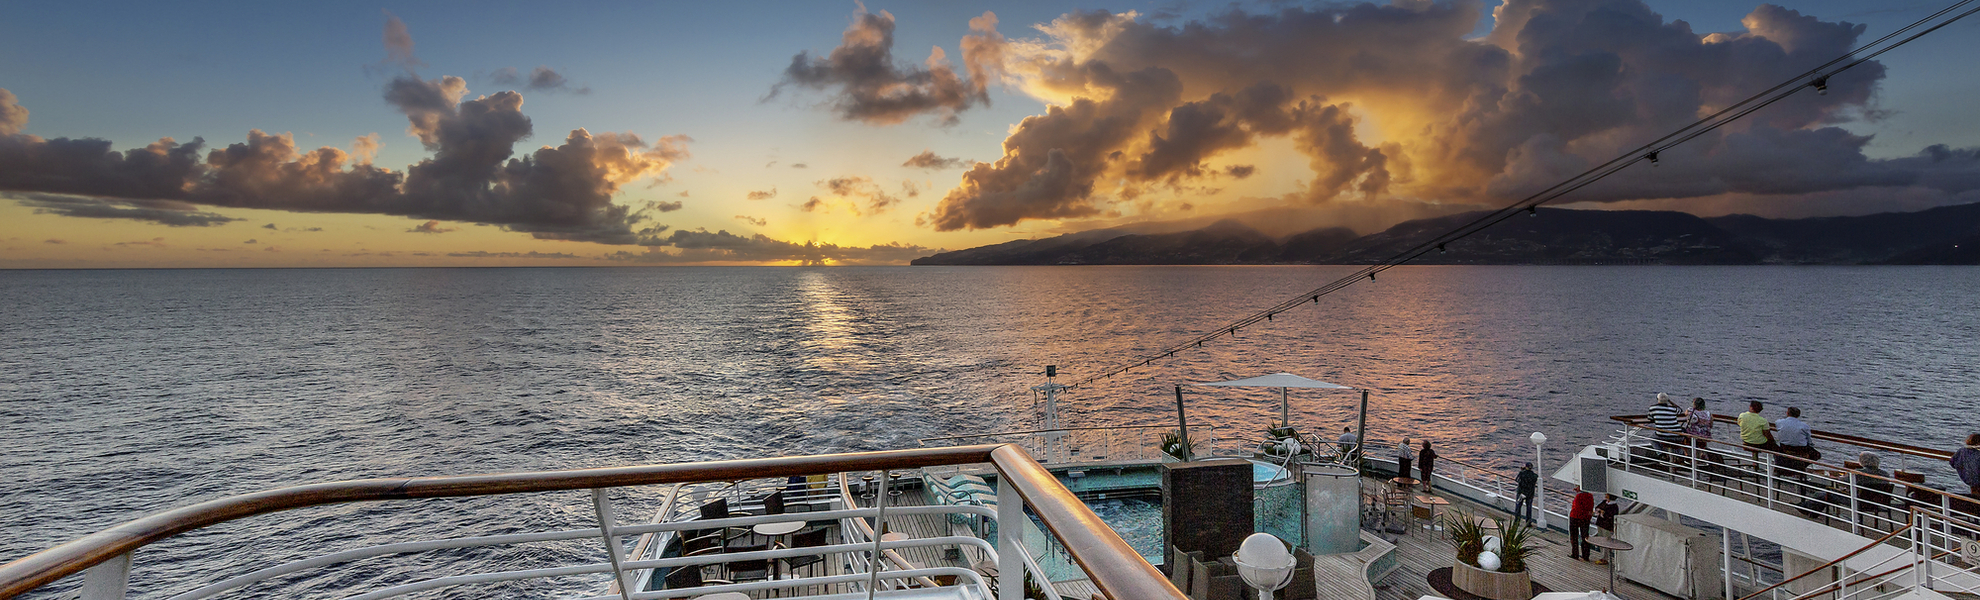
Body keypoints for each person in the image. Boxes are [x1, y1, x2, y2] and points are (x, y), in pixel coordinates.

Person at [1774, 407, 1817, 477]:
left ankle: (1789, 469)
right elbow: (1809, 441)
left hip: (1785, 449)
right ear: (1798, 415)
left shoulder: (1779, 422)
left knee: (1779, 452)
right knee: (1816, 454)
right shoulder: (1804, 426)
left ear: (1787, 413)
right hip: (1800, 450)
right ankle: (1799, 468)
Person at [1648, 393, 1685, 466]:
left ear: (1657, 400)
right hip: (1677, 434)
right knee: (1677, 440)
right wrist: (1670, 401)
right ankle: (1680, 455)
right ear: (1667, 400)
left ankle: (1661, 454)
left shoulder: (1653, 408)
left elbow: (1650, 418)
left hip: (1663, 435)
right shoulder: (1672, 408)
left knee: (1652, 439)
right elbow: (1680, 410)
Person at [1684, 397, 1719, 472]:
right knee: (1701, 442)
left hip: (1693, 436)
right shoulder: (1708, 413)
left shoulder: (1690, 411)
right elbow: (1711, 425)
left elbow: (1685, 413)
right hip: (1705, 436)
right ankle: (1701, 453)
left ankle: (1687, 454)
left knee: (1683, 435)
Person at [1951, 434, 1980, 515]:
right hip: (1976, 480)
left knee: (1974, 496)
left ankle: (1975, 512)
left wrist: (1964, 470)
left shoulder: (1962, 451)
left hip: (1970, 480)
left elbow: (1952, 462)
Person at [1593, 494, 1620, 565]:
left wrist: (1602, 513)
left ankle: (1604, 558)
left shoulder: (1614, 506)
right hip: (1601, 524)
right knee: (1601, 541)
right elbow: (1597, 507)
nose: (1605, 495)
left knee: (1605, 542)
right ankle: (1602, 557)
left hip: (1607, 527)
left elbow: (1611, 517)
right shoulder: (1605, 502)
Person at [1568, 487, 1594, 561]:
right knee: (1585, 537)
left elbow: (1576, 507)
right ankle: (1586, 555)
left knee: (1574, 536)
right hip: (1585, 519)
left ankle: (1575, 554)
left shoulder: (1579, 496)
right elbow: (1590, 507)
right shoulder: (1590, 496)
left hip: (1575, 517)